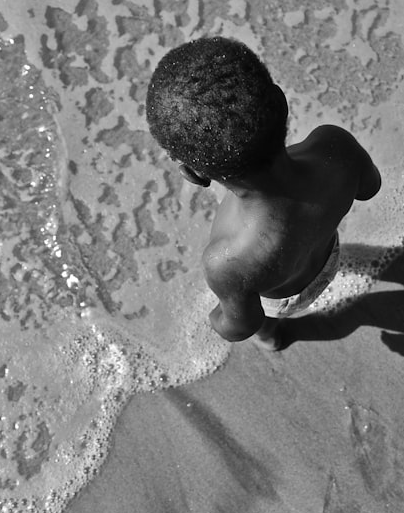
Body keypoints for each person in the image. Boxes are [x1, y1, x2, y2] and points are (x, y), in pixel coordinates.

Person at [145, 37, 381, 350]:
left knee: (265, 325)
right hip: (328, 253)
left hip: (285, 298)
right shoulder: (334, 148)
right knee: (303, 248)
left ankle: (272, 339)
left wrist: (217, 320)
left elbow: (241, 325)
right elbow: (369, 188)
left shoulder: (227, 260)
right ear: (281, 103)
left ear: (192, 173)